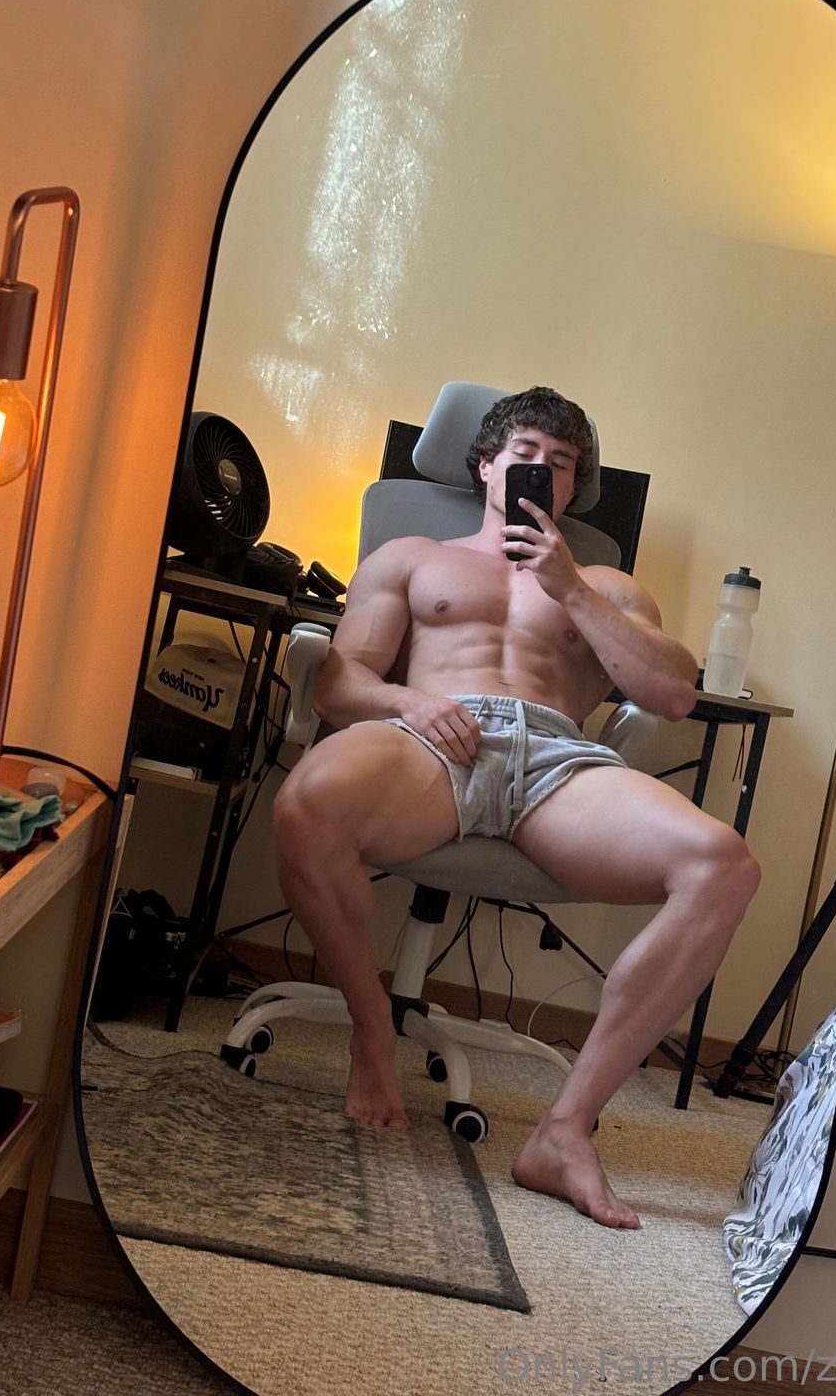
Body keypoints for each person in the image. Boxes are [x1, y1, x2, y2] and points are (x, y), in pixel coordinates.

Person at [274, 387, 760, 1228]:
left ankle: (565, 1133)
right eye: (526, 453)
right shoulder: (412, 556)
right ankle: (372, 1027)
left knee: (724, 867)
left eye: (562, 464)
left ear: (573, 488)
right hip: (432, 737)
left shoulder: (606, 583)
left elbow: (674, 693)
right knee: (305, 805)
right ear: (486, 465)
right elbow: (339, 685)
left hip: (558, 758)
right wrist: (409, 703)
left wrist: (571, 591)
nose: (543, 470)